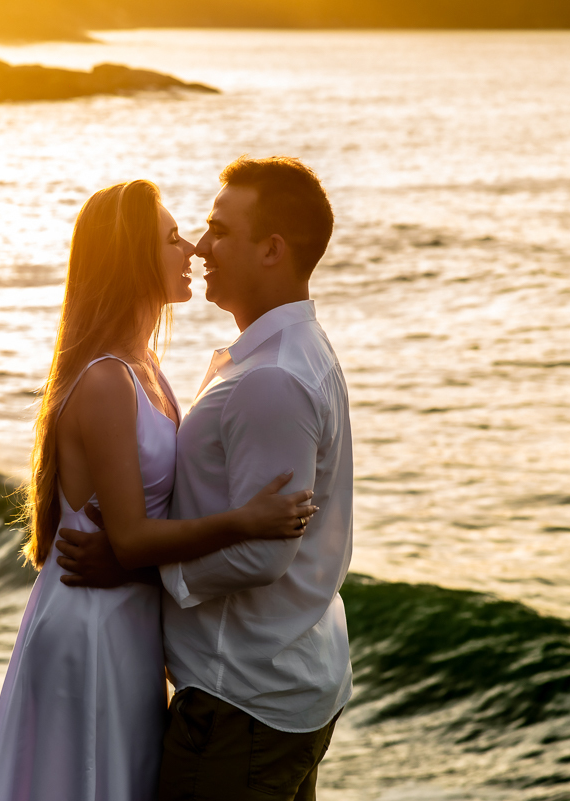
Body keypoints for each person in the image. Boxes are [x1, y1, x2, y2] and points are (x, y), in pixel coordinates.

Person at [0, 179, 318, 801]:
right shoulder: (107, 380)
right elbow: (129, 536)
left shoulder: (143, 368)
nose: (192, 250)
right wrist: (245, 521)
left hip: (127, 616)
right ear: (133, 258)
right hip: (91, 623)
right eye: (171, 239)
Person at [59, 157, 353, 801]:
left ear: (272, 250)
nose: (200, 245)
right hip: (273, 684)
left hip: (240, 698)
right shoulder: (282, 356)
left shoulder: (270, 379)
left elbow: (263, 553)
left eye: (219, 230)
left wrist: (135, 566)